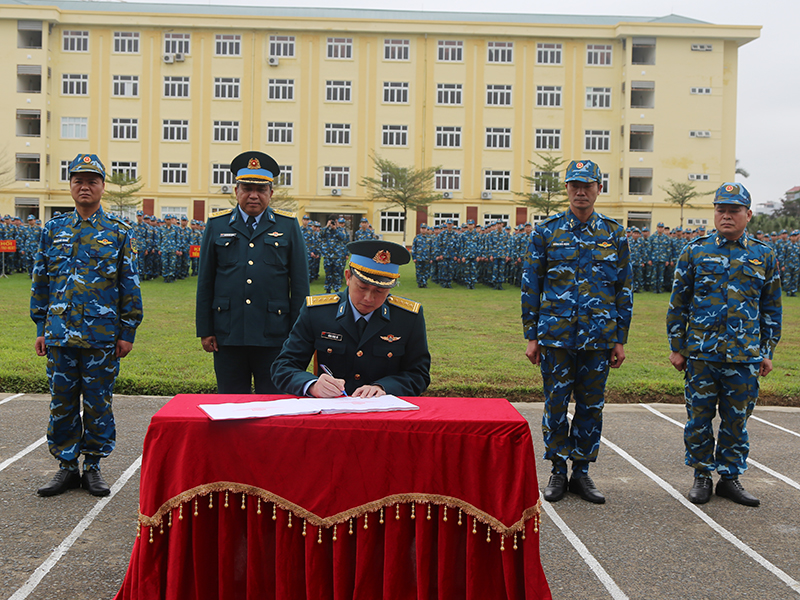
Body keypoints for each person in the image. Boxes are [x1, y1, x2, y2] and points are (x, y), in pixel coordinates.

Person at [31, 153, 143, 497]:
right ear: (70, 186)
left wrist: (127, 332)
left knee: (98, 402)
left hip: (101, 337)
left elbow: (130, 285)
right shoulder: (53, 230)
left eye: (92, 181)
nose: (85, 186)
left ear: (102, 187)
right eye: (78, 180)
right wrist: (40, 327)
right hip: (60, 334)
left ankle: (92, 466)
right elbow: (41, 281)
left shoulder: (120, 232)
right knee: (61, 403)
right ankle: (66, 466)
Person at [521, 159, 633, 504]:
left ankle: (582, 471)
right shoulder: (546, 232)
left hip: (598, 337)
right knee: (555, 404)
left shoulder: (614, 234)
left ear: (599, 188)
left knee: (591, 406)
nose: (581, 192)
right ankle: (557, 469)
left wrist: (619, 338)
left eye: (587, 185)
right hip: (555, 335)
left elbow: (624, 288)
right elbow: (531, 285)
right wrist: (532, 334)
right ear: (566, 189)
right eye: (574, 186)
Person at [667, 183, 781, 507]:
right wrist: (677, 347)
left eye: (734, 210)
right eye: (721, 209)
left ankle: (730, 477)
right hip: (702, 353)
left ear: (748, 214)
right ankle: (702, 475)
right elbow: (678, 303)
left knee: (736, 421)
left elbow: (771, 308)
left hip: (744, 355)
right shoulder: (694, 251)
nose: (726, 215)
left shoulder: (763, 254)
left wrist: (767, 351)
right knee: (699, 418)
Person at [196, 151, 309, 394]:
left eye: (261, 189)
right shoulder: (217, 225)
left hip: (274, 334)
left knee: (274, 403)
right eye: (247, 188)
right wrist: (205, 330)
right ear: (236, 191)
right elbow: (206, 281)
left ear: (271, 193)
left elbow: (300, 285)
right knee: (230, 403)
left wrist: (297, 334)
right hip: (229, 332)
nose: (253, 195)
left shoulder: (287, 226)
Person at [271, 240, 431, 398]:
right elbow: (283, 367)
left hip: (382, 415)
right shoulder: (317, 312)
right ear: (348, 277)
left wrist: (383, 388)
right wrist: (312, 385)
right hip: (331, 413)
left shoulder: (407, 317)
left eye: (380, 291)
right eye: (362, 287)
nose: (369, 298)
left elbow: (418, 374)